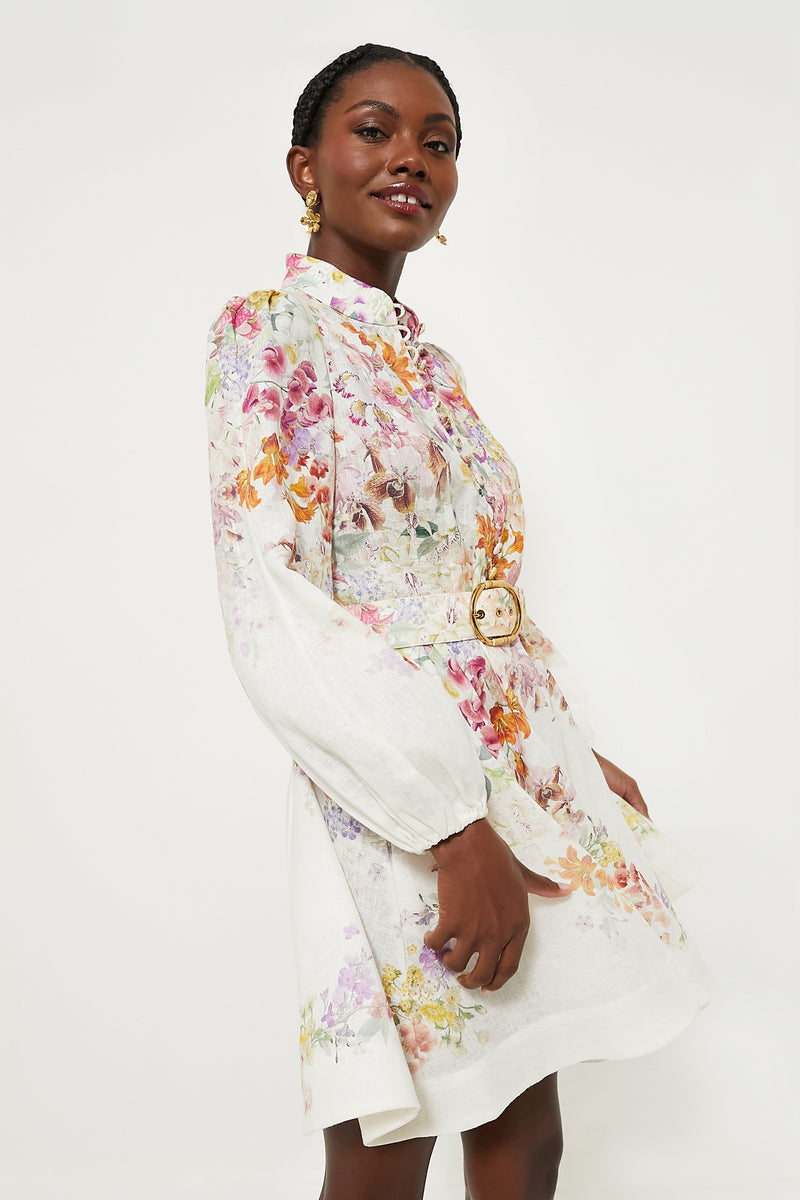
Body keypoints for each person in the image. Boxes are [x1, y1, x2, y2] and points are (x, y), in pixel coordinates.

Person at [204, 43, 708, 1200]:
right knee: (388, 1151)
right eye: (373, 130)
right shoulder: (270, 334)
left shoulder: (426, 363)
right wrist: (448, 825)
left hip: (514, 771)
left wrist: (566, 750)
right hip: (398, 789)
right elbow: (273, 604)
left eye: (437, 143)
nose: (410, 160)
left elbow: (474, 588)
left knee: (525, 1135)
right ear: (304, 167)